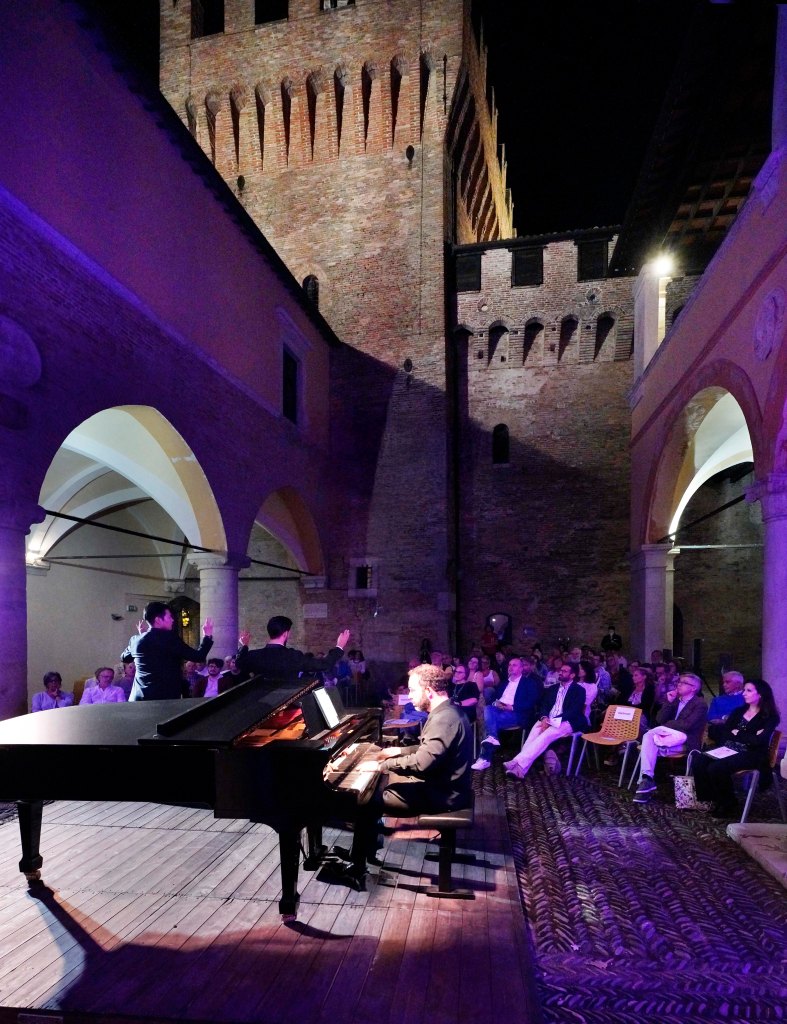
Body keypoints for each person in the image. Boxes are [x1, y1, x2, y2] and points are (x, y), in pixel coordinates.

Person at [338, 663, 473, 887]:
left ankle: (357, 868)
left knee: (367, 801)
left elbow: (422, 764)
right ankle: (366, 851)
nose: (409, 696)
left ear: (428, 690)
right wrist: (398, 751)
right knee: (380, 787)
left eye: (412, 690)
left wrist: (383, 766)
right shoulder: (448, 711)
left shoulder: (443, 719)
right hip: (447, 786)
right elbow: (429, 750)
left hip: (444, 795)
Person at [693, 678, 779, 818]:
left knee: (717, 767)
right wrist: (748, 735)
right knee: (700, 760)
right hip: (730, 748)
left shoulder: (769, 716)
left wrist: (737, 733)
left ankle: (728, 802)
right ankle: (712, 799)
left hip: (752, 753)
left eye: (748, 690)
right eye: (744, 690)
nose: (744, 693)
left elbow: (758, 741)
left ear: (760, 694)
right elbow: (726, 733)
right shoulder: (739, 711)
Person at [503, 661, 589, 778]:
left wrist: (552, 721)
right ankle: (520, 770)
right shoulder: (552, 688)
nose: (560, 672)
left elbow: (574, 711)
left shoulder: (579, 690)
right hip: (548, 719)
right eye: (561, 670)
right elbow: (544, 706)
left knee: (546, 735)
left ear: (572, 675)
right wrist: (544, 718)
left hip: (567, 721)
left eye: (564, 671)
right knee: (533, 735)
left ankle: (516, 762)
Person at [633, 672, 708, 804]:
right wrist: (669, 702)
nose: (679, 684)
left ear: (694, 688)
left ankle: (646, 778)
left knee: (650, 737)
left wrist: (667, 725)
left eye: (684, 683)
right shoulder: (675, 700)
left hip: (686, 740)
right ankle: (647, 778)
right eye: (679, 682)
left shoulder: (700, 704)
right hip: (669, 740)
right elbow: (659, 719)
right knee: (649, 736)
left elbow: (687, 725)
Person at [123, 601, 214, 701]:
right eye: (169, 617)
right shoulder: (170, 639)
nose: (172, 620)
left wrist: (141, 636)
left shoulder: (135, 640)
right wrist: (207, 636)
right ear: (158, 620)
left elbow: (125, 658)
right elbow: (198, 656)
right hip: (164, 701)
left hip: (138, 699)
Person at [471, 655, 542, 771]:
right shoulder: (504, 683)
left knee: (489, 722)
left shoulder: (529, 683)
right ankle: (492, 739)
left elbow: (532, 701)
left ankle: (484, 758)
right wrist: (496, 704)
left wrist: (512, 707)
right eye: (509, 665)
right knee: (488, 708)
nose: (510, 667)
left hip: (517, 713)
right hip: (499, 711)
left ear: (521, 668)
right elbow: (493, 698)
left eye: (514, 665)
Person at [236, 615, 350, 683]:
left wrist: (244, 646)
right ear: (286, 634)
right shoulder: (293, 656)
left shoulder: (254, 656)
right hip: (287, 707)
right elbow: (324, 665)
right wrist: (339, 646)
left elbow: (239, 663)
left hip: (261, 707)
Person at [707, 670, 746, 742]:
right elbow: (711, 719)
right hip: (720, 731)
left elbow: (745, 720)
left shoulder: (746, 698)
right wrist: (729, 719)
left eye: (727, 682)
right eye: (723, 682)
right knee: (717, 730)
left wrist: (723, 718)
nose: (724, 685)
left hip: (742, 732)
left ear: (738, 684)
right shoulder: (717, 700)